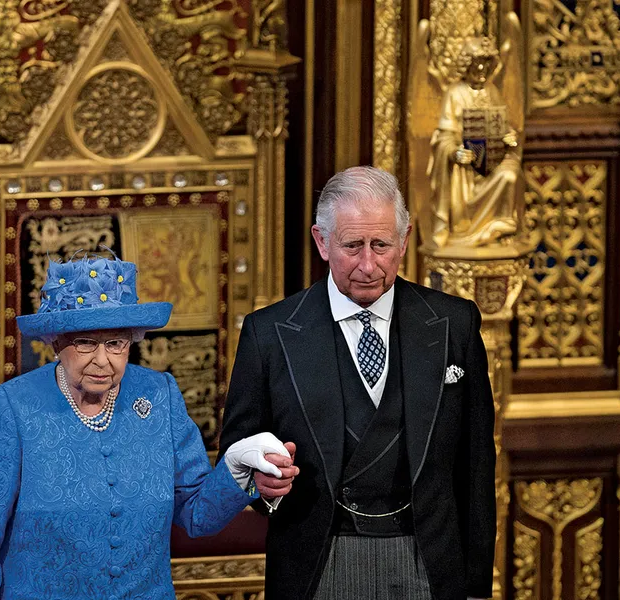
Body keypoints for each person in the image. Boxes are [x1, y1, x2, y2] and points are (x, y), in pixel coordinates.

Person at [0, 251, 297, 600]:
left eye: (116, 342)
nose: (103, 360)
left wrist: (236, 470)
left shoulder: (158, 395)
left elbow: (197, 514)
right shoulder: (10, 408)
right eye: (85, 342)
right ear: (56, 341)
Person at [219, 166, 496, 600]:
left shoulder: (454, 325)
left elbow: (476, 466)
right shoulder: (269, 334)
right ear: (322, 242)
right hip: (319, 563)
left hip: (430, 560)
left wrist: (477, 587)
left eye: (381, 245)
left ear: (403, 241)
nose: (369, 265)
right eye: (352, 245)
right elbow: (238, 453)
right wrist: (262, 485)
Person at [427, 36, 523, 248]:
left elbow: (504, 126)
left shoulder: (492, 91)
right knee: (462, 173)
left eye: (486, 64)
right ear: (466, 64)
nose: (481, 69)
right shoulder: (454, 93)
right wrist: (454, 152)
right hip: (465, 168)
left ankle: (502, 226)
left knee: (510, 174)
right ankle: (463, 230)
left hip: (494, 161)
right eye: (477, 63)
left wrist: (509, 138)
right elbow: (444, 137)